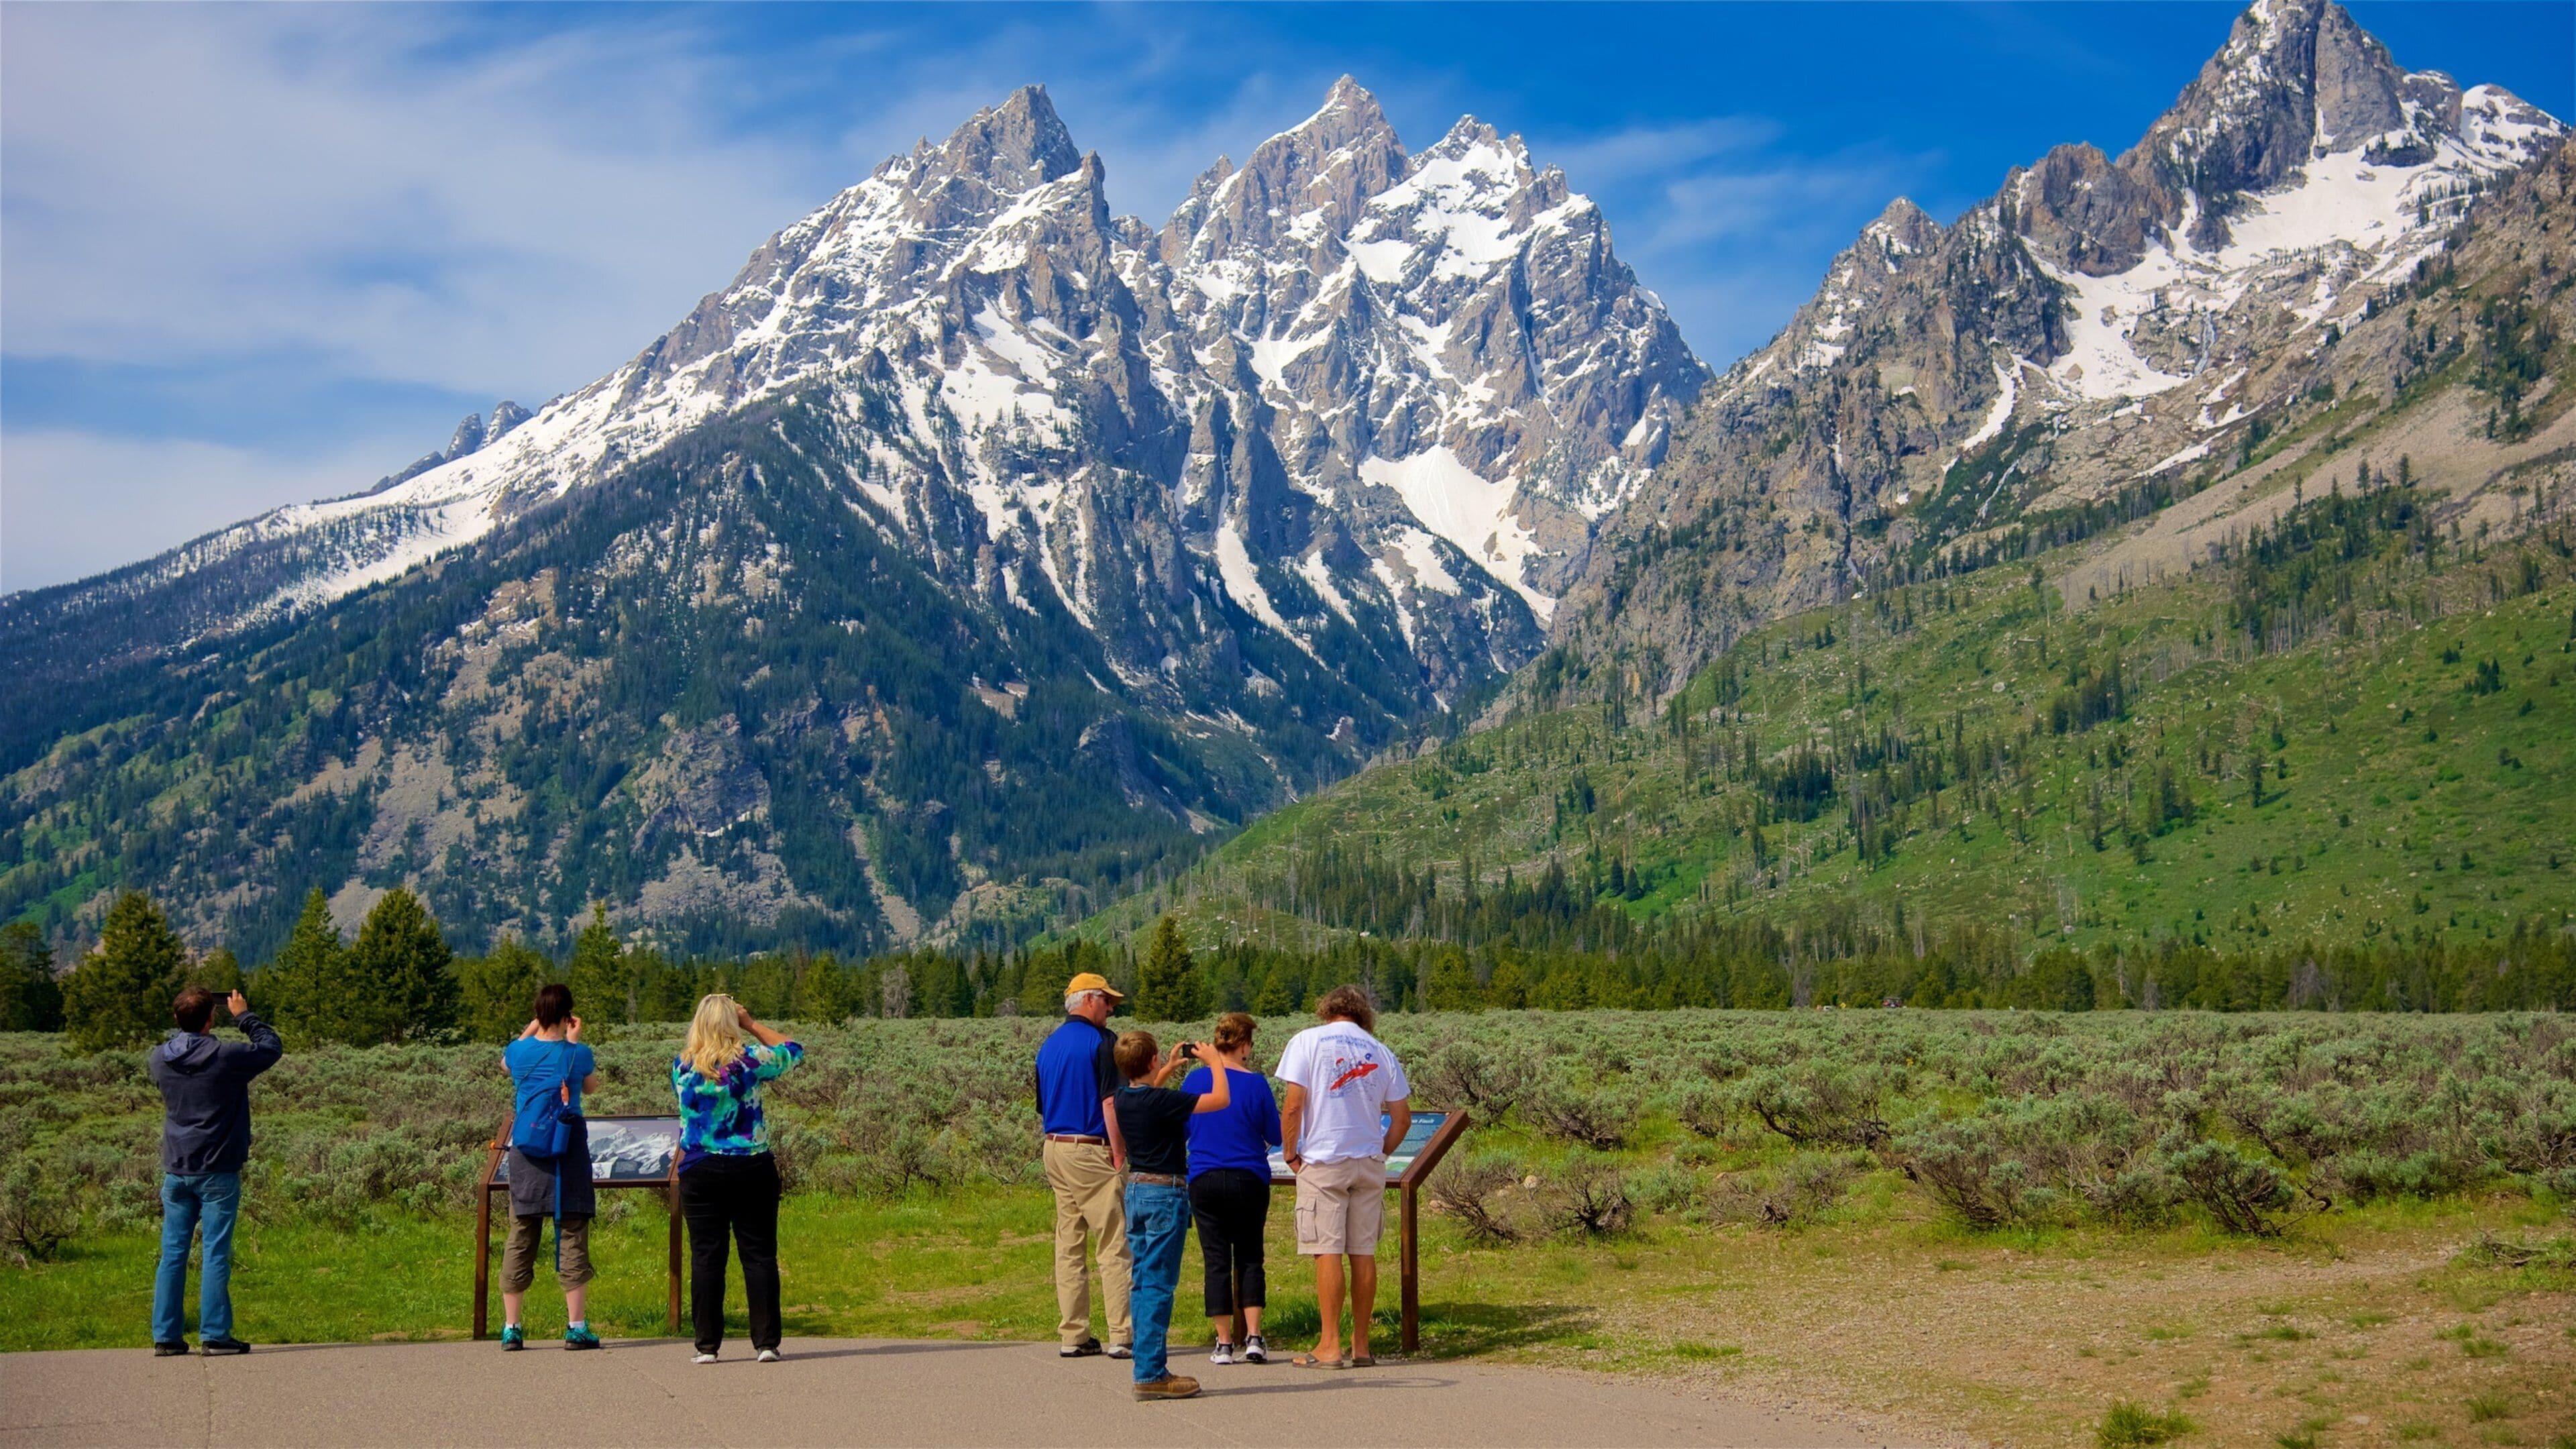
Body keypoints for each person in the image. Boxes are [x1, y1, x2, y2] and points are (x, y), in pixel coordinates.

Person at [1275, 985, 1410, 1369]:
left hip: (1324, 1157)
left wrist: (1289, 1152)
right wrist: (1381, 1152)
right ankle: (1362, 1344)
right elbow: (1402, 1119)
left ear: (1327, 1009)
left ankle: (1330, 1345)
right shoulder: (1381, 1051)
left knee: (1326, 1249)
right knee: (1363, 1252)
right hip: (1368, 1159)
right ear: (1363, 1014)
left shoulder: (1307, 1041)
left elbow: (1293, 1105)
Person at [148, 987, 282, 1356]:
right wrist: (244, 1016)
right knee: (215, 1252)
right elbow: (271, 1048)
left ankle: (167, 1337)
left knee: (172, 1253)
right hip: (218, 1169)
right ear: (212, 1018)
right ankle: (216, 1335)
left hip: (176, 1168)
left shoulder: (159, 1059)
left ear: (177, 1019)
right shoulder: (227, 1056)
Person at [672, 992, 803, 1364]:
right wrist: (751, 1024)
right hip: (750, 1165)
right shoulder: (750, 1063)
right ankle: (765, 1343)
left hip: (699, 1168)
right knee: (759, 1255)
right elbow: (794, 1049)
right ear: (732, 1023)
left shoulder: (682, 1068)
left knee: (706, 1257)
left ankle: (707, 1346)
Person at [1110, 1028, 1232, 1401]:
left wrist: (1165, 1069)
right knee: (1159, 1285)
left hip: (1137, 1190)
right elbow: (1221, 1100)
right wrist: (1215, 1064)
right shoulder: (1162, 1102)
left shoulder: (1122, 1098)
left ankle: (1147, 1365)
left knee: (1143, 1280)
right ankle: (1150, 1373)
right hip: (1166, 1192)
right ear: (1151, 1060)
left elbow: (1149, 1093)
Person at [498, 984, 602, 1351]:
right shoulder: (577, 1054)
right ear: (567, 1016)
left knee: (521, 1233)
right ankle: (576, 1326)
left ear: (538, 1013)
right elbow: (590, 1088)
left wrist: (530, 1030)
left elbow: (505, 1063)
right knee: (573, 1230)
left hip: (526, 1150)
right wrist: (573, 1042)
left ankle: (512, 1327)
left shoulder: (519, 1051)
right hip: (567, 1147)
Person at [1034, 971, 1132, 1359]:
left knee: (1069, 1243)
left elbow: (1043, 1104)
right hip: (1092, 1147)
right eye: (1107, 1001)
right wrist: (1120, 1151)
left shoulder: (1049, 1045)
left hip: (1055, 1146)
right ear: (1089, 1001)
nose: (1110, 1009)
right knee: (1113, 1241)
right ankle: (1122, 1334)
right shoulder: (1103, 1044)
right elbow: (1111, 1102)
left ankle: (1074, 1334)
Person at [1180, 1012, 1281, 1366]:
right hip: (1248, 1177)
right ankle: (1253, 1336)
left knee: (1216, 1259)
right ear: (1243, 1045)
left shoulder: (1194, 1081)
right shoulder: (1256, 1085)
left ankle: (1224, 1342)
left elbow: (1183, 1128)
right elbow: (1276, 1135)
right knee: (1251, 1255)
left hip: (1204, 1176)